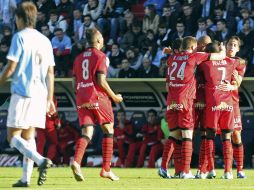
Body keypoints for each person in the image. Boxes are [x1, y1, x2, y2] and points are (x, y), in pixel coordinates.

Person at [0, 2, 55, 187]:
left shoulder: (19, 37)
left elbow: (11, 66)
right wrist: (49, 98)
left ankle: (41, 161)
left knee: (12, 137)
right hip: (40, 94)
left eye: (16, 18)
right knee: (29, 137)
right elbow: (50, 73)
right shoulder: (45, 40)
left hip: (23, 92)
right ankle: (25, 179)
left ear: (20, 18)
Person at [158, 36, 226, 179]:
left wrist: (171, 51)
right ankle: (186, 171)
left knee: (174, 134)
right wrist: (223, 49)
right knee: (187, 135)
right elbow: (220, 56)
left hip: (171, 100)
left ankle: (164, 167)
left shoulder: (172, 59)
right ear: (193, 47)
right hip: (186, 100)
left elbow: (167, 82)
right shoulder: (195, 56)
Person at [72, 27, 123, 181]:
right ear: (99, 41)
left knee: (87, 133)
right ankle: (106, 169)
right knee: (108, 129)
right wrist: (114, 96)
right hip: (97, 96)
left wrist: (81, 95)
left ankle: (76, 161)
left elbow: (74, 82)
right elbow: (101, 80)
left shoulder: (78, 58)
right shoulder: (101, 56)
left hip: (81, 96)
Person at [199, 41, 243, 179]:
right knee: (227, 136)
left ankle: (211, 169)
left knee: (209, 135)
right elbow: (242, 62)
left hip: (214, 103)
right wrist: (237, 83)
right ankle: (228, 172)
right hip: (228, 103)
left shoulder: (205, 64)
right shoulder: (230, 62)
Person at [217, 36, 247, 178]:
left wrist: (232, 85)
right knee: (224, 135)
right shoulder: (219, 59)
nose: (231, 47)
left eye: (235, 45)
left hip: (233, 103)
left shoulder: (239, 63)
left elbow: (239, 81)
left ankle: (240, 169)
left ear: (238, 48)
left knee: (236, 135)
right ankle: (227, 170)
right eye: (230, 44)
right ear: (225, 45)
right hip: (219, 103)